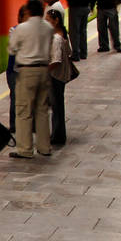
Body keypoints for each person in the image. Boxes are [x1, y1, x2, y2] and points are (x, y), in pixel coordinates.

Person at [8, 0, 55, 159]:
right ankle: (44, 147)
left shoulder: (22, 28)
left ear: (28, 11)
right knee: (42, 111)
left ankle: (25, 149)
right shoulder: (49, 28)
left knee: (24, 111)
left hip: (27, 72)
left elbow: (12, 49)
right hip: (44, 70)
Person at [45, 8, 74, 147]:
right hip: (62, 76)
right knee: (58, 106)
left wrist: (45, 71)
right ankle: (59, 134)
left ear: (56, 21)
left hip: (55, 77)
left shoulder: (55, 38)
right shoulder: (63, 34)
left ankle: (57, 135)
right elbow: (69, 52)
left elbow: (56, 60)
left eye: (48, 20)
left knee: (56, 107)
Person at [6, 5, 29, 130]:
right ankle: (14, 125)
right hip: (14, 72)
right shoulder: (13, 31)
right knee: (15, 98)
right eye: (27, 16)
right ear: (20, 17)